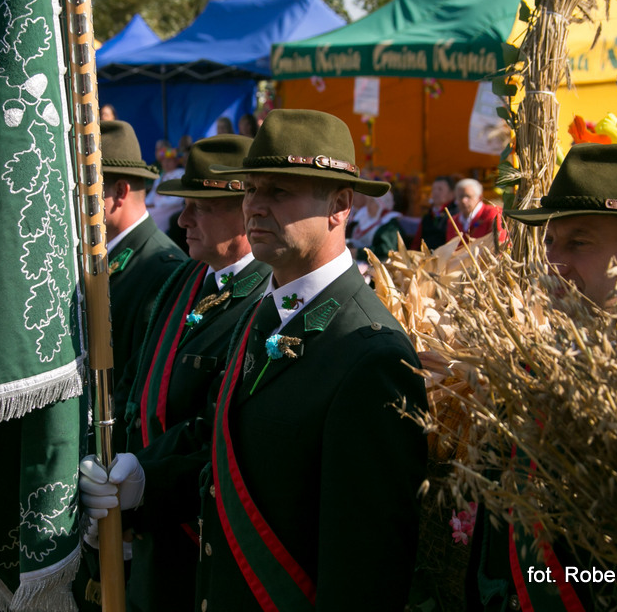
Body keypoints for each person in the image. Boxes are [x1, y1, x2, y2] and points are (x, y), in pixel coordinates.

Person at [83, 109, 428, 611]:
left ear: (340, 204)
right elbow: (222, 449)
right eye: (250, 189)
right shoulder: (262, 315)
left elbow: (365, 567)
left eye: (279, 192)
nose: (256, 207)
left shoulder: (371, 355)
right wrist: (143, 480)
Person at [465, 142, 617, 611]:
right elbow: (492, 553)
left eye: (578, 242)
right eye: (550, 242)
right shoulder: (529, 370)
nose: (554, 265)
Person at [99, 134, 272, 612]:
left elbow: (217, 426)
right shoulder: (186, 277)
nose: (182, 219)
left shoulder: (263, 301)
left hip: (196, 533)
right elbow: (137, 386)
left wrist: (142, 486)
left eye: (201, 206)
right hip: (149, 521)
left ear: (244, 211)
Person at [101, 121, 187, 442]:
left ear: (119, 193)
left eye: (81, 191)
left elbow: (141, 389)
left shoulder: (162, 268)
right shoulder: (107, 256)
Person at [348, 186, 405, 263]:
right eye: (367, 201)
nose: (368, 205)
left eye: (372, 202)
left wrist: (359, 253)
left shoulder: (389, 224)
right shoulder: (366, 218)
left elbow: (387, 250)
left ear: (382, 205)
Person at [446, 177, 507, 245]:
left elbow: (499, 244)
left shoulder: (494, 214)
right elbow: (451, 249)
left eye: (468, 196)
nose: (463, 201)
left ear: (480, 197)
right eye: (460, 197)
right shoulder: (453, 221)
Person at [145, 138, 185, 237]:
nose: (166, 163)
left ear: (176, 161)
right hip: (158, 207)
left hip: (172, 208)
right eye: (164, 161)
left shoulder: (180, 174)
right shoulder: (161, 176)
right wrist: (146, 203)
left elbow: (178, 198)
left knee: (150, 219)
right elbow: (153, 194)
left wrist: (157, 204)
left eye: (169, 161)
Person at [412, 175, 457, 250]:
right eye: (433, 189)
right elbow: (417, 242)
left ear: (452, 193)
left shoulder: (456, 215)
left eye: (440, 189)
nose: (435, 192)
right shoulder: (428, 216)